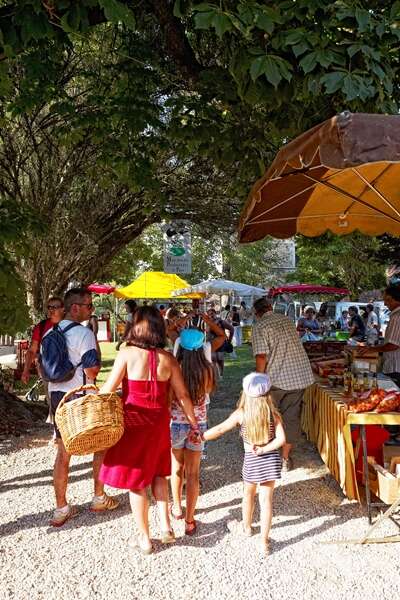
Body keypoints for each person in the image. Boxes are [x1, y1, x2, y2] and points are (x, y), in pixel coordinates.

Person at [99, 306, 201, 555]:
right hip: (158, 424)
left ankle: (144, 538)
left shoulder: (126, 353)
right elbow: (183, 395)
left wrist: (91, 398)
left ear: (136, 327)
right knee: (158, 473)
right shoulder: (168, 358)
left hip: (133, 423)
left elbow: (109, 388)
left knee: (136, 481)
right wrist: (194, 423)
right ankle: (166, 528)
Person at [49, 288, 118, 527]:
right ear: (75, 307)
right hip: (80, 396)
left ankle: (61, 508)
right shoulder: (84, 334)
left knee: (63, 453)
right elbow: (92, 370)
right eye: (89, 306)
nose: (92, 310)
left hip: (56, 397)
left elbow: (41, 367)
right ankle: (99, 497)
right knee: (101, 443)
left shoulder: (50, 331)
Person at [204, 372, 285, 556]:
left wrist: (202, 435)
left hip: (252, 460)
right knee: (266, 501)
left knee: (248, 495)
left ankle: (246, 527)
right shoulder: (272, 414)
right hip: (270, 460)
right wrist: (265, 449)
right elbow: (282, 439)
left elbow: (221, 428)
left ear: (245, 393)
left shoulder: (242, 414)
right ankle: (264, 542)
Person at [170, 320, 225, 534]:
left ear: (180, 347)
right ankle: (190, 520)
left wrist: (181, 321)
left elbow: (169, 398)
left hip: (175, 424)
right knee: (193, 474)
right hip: (198, 427)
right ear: (202, 346)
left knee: (176, 468)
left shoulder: (173, 369)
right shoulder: (208, 371)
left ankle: (176, 507)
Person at [251, 297, 314, 472]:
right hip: (298, 376)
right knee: (291, 417)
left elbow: (261, 357)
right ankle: (285, 458)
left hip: (276, 379)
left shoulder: (260, 326)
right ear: (270, 307)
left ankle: (266, 455)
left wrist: (259, 380)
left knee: (268, 417)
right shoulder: (287, 320)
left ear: (256, 313)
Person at [21, 297, 65, 385]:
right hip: (47, 373)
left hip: (68, 371)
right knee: (51, 398)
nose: (51, 309)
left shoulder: (69, 325)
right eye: (49, 307)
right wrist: (26, 370)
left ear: (63, 309)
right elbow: (32, 351)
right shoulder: (41, 327)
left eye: (55, 307)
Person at [206, 307, 234, 377]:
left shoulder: (221, 322)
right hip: (211, 343)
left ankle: (221, 374)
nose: (211, 315)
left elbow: (232, 329)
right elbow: (206, 332)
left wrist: (229, 340)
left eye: (212, 313)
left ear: (215, 313)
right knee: (213, 359)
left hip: (221, 344)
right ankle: (215, 375)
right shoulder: (207, 322)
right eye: (209, 314)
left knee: (220, 360)